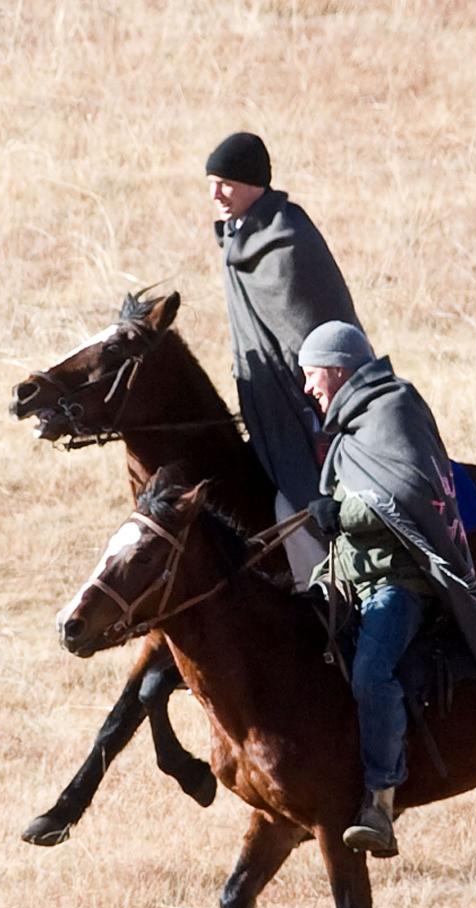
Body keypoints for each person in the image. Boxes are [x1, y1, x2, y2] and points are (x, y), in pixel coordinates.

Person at [299, 321, 476, 859]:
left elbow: (408, 492)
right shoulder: (349, 426)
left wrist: (342, 511)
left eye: (311, 376)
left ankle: (380, 798)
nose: (309, 388)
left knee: (373, 672)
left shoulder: (393, 410)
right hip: (351, 578)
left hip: (400, 584)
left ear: (335, 367)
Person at [205, 131, 362, 586]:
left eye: (226, 183)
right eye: (211, 183)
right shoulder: (237, 239)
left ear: (253, 183)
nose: (216, 194)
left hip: (312, 411)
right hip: (270, 413)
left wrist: (323, 415)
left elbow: (318, 341)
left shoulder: (287, 241)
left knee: (292, 508)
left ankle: (332, 600)